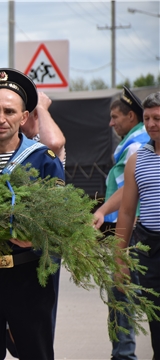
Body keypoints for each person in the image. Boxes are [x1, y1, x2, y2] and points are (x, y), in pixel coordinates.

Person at [0, 68, 65, 359]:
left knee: (35, 351)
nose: (1, 118)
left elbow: (61, 220)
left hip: (28, 274)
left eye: (9, 110)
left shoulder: (44, 161)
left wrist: (38, 236)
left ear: (24, 116)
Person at [92, 87, 149, 360]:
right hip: (131, 229)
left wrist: (103, 211)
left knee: (123, 293)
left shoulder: (137, 145)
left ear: (131, 116)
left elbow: (129, 190)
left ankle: (124, 355)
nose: (111, 123)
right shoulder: (134, 141)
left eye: (116, 117)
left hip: (133, 231)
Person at [114, 91, 160, 358]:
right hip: (150, 248)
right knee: (156, 319)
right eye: (147, 118)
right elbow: (128, 211)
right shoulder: (136, 160)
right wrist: (119, 259)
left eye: (157, 118)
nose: (152, 124)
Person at [19, 91, 66, 163]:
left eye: (23, 117)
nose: (18, 122)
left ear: (35, 114)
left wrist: (41, 107)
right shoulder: (18, 139)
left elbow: (53, 143)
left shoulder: (41, 140)